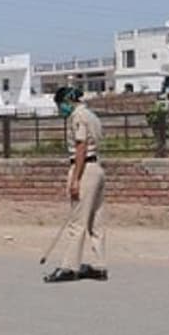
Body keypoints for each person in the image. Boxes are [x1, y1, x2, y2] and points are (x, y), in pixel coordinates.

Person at [44, 86, 108, 283]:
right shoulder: (92, 115)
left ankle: (69, 266)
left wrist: (76, 179)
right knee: (96, 220)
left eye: (61, 104)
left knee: (77, 221)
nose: (60, 109)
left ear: (68, 101)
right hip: (96, 167)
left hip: (84, 167)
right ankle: (99, 265)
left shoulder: (77, 117)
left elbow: (81, 146)